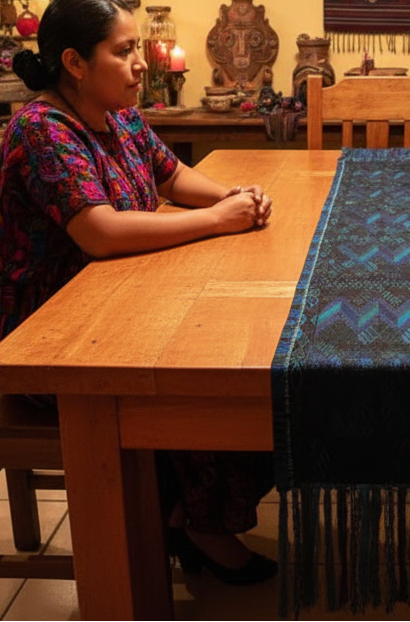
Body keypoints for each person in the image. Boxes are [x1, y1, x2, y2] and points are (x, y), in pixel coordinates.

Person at [0, 0, 277, 585]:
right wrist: (215, 221)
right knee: (205, 378)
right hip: (57, 338)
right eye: (123, 51)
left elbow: (172, 175)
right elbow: (99, 232)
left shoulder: (119, 115)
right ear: (75, 63)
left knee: (246, 345)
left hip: (124, 303)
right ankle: (192, 525)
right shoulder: (42, 129)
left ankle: (186, 512)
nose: (140, 63)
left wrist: (234, 196)